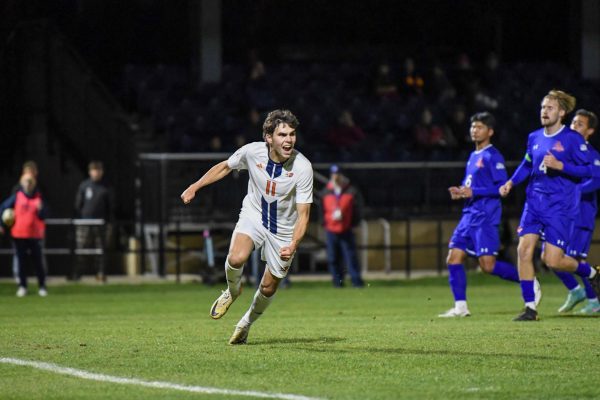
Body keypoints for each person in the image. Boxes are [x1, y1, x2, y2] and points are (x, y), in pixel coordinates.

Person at [180, 109, 313, 345]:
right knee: (236, 258)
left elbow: (303, 216)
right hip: (254, 214)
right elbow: (225, 166)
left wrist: (293, 244)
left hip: (283, 228)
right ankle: (232, 291)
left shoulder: (302, 167)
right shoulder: (252, 152)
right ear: (269, 137)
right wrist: (195, 186)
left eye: (292, 134)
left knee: (269, 287)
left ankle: (245, 324)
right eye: (282, 135)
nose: (289, 140)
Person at [499, 90, 600, 321]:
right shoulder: (534, 137)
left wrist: (561, 166)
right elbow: (526, 164)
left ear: (562, 113)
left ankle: (592, 273)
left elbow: (589, 171)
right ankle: (530, 308)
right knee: (523, 250)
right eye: (543, 107)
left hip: (560, 207)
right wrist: (510, 183)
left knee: (553, 260)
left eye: (550, 108)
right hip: (534, 202)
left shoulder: (573, 139)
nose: (545, 111)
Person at [439, 112, 540, 317]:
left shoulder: (493, 156)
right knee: (453, 257)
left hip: (486, 216)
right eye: (473, 127)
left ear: (490, 131)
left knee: (488, 266)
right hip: (469, 215)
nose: (474, 130)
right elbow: (472, 186)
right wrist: (461, 192)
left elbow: (501, 188)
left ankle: (528, 280)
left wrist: (474, 192)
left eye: (480, 127)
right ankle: (461, 307)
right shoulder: (473, 155)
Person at [552, 109, 600, 314]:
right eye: (573, 122)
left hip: (582, 213)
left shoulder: (592, 154)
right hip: (560, 212)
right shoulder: (563, 151)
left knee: (575, 259)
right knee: (549, 255)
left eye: (580, 124)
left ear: (590, 131)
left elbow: (596, 180)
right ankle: (574, 290)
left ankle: (594, 300)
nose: (573, 126)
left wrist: (574, 191)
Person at [0, 173, 48, 297]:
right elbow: (3, 208)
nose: (28, 184)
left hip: (35, 235)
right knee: (21, 263)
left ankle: (42, 287)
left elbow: (44, 216)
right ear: (22, 183)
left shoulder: (38, 198)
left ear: (34, 183)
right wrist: (1, 224)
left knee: (38, 263)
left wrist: (41, 209)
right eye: (26, 181)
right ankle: (22, 286)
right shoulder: (17, 197)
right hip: (19, 235)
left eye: (30, 181)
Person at [320, 165, 365, 288]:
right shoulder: (326, 191)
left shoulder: (351, 191)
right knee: (333, 258)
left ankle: (356, 281)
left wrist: (355, 224)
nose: (336, 177)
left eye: (338, 174)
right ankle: (337, 282)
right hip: (331, 229)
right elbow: (321, 210)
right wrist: (324, 223)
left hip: (346, 228)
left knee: (350, 257)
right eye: (334, 174)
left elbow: (357, 209)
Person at [74, 161, 114, 282]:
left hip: (101, 223)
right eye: (94, 170)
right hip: (85, 222)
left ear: (102, 172)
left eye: (98, 170)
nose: (96, 173)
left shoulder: (106, 187)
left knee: (101, 249)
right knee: (81, 248)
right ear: (90, 172)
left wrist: (109, 222)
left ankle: (100, 273)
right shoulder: (84, 186)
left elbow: (111, 206)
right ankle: (78, 273)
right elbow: (78, 204)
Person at [10, 161, 41, 283]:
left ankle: (42, 284)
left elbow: (44, 211)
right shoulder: (17, 191)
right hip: (19, 231)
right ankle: (20, 282)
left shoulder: (38, 191)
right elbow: (7, 208)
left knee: (38, 259)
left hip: (35, 232)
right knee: (19, 258)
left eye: (32, 173)